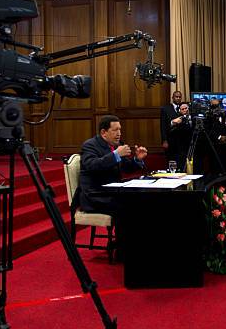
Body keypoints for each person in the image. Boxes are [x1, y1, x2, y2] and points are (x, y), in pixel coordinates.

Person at [73, 115, 148, 258]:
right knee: (128, 205)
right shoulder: (90, 145)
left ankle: (130, 244)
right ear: (103, 132)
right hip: (95, 195)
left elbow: (125, 167)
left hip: (111, 192)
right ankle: (123, 250)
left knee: (138, 200)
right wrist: (115, 155)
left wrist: (137, 160)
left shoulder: (117, 145)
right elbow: (92, 166)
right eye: (115, 130)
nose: (119, 133)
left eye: (120, 129)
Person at [167, 102, 193, 171]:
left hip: (193, 144)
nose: (185, 110)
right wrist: (173, 122)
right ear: (180, 111)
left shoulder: (193, 117)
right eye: (183, 109)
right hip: (181, 146)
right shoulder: (177, 118)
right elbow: (169, 128)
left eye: (186, 108)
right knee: (182, 164)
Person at [160, 91, 183, 161]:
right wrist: (164, 140)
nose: (178, 98)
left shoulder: (184, 108)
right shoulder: (165, 109)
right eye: (176, 97)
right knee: (171, 159)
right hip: (170, 139)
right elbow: (163, 126)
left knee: (181, 159)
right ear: (173, 98)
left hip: (182, 139)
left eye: (179, 97)